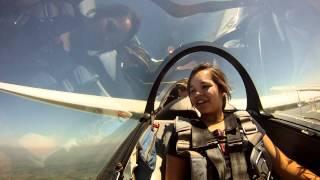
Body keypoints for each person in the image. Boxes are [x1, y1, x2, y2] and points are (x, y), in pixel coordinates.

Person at [165, 63, 320, 180]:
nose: (197, 93)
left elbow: (285, 165)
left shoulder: (246, 123)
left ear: (222, 90)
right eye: (192, 90)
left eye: (205, 86)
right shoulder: (182, 134)